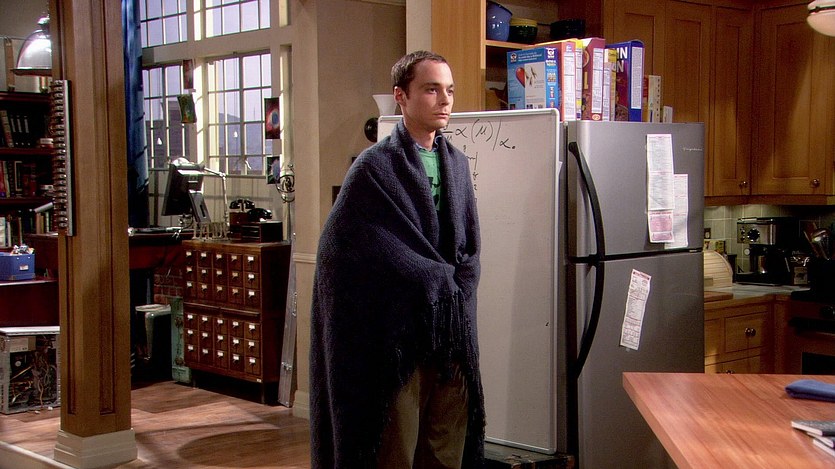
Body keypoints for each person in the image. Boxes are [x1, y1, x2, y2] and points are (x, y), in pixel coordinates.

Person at [309, 50, 485, 468]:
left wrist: (457, 286)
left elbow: (470, 244)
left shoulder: (457, 164)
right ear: (401, 97)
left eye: (449, 90)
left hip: (450, 329)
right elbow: (342, 250)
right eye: (431, 89)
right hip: (398, 335)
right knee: (396, 450)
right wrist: (426, 276)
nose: (445, 100)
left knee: (446, 447)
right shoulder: (374, 168)